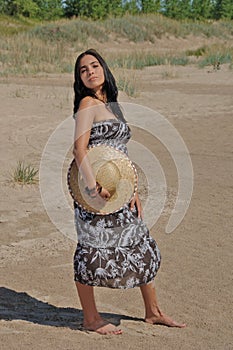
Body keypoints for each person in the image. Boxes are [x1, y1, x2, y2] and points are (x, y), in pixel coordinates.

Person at [72, 48, 186, 335]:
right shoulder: (87, 104)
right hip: (96, 192)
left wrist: (131, 189)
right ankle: (90, 318)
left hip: (120, 190)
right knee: (92, 250)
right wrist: (91, 188)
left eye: (94, 66)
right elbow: (79, 149)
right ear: (79, 78)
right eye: (83, 70)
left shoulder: (110, 104)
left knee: (138, 243)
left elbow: (119, 152)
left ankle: (153, 312)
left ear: (104, 69)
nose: (90, 72)